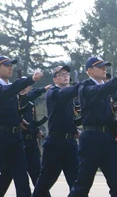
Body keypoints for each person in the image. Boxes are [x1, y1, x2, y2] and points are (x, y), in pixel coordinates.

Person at [68, 57, 117, 197]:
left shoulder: (105, 91)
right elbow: (103, 89)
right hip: (91, 140)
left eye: (104, 66)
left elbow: (108, 115)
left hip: (108, 139)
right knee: (82, 185)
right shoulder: (85, 87)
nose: (104, 69)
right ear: (89, 71)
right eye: (99, 67)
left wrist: (116, 130)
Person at [32, 65, 81, 197]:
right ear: (54, 79)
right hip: (55, 143)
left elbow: (70, 117)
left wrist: (75, 129)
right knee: (45, 181)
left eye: (67, 74)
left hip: (70, 143)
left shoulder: (71, 96)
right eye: (61, 74)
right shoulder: (53, 92)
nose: (65, 76)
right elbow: (64, 95)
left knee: (77, 182)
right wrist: (80, 86)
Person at [0, 55, 43, 197]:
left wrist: (18, 119)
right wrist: (30, 80)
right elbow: (7, 92)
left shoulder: (9, 86)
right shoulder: (6, 88)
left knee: (22, 179)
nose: (10, 67)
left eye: (11, 64)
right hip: (2, 137)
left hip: (15, 137)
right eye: (6, 65)